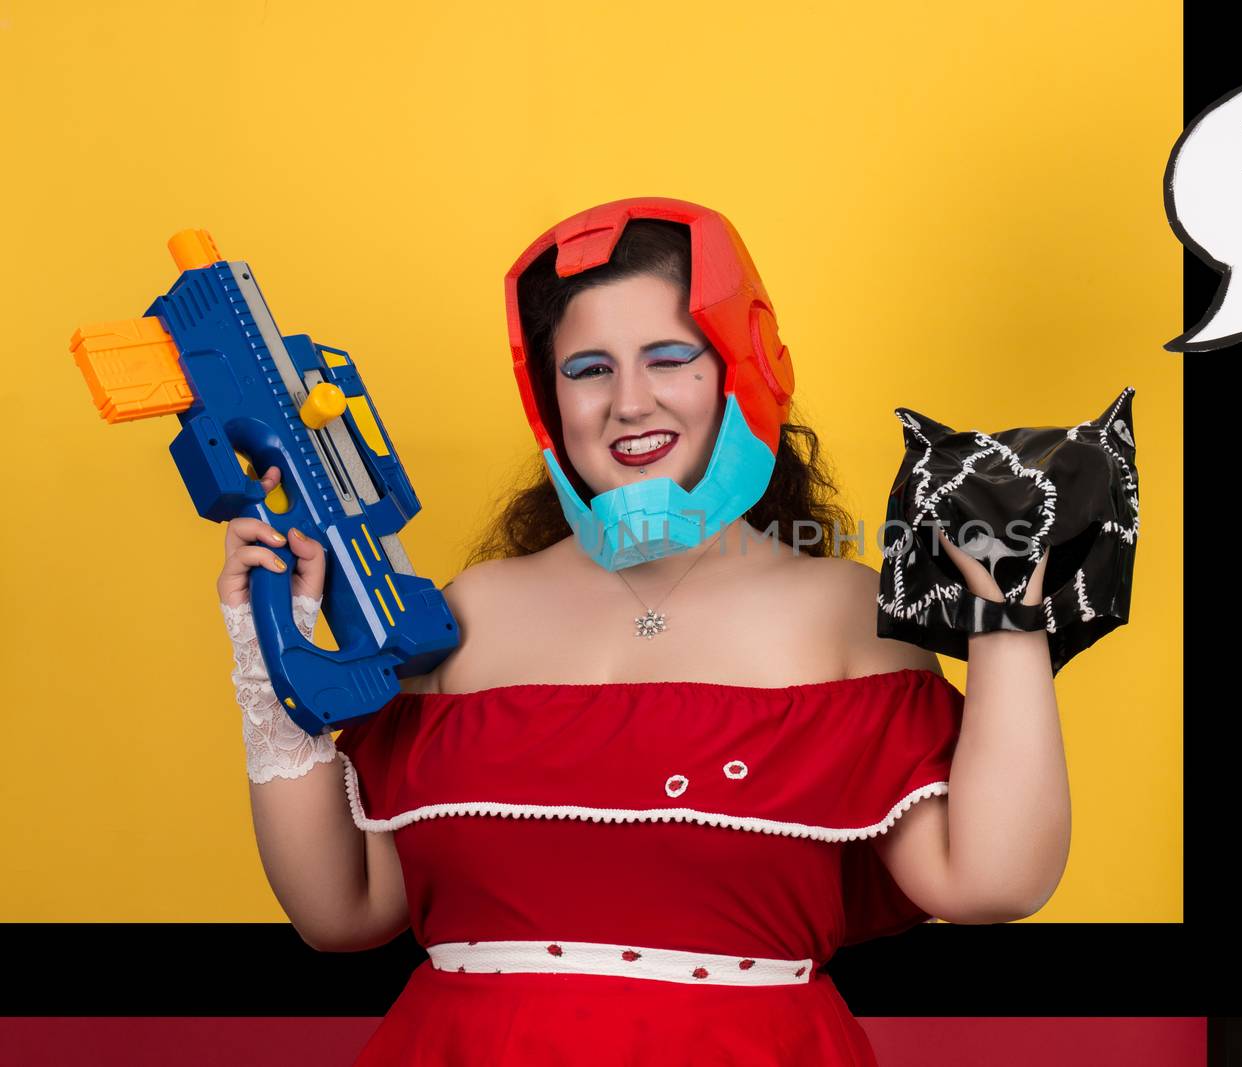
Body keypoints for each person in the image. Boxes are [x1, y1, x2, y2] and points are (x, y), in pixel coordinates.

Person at [217, 197, 1068, 1066]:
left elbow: (992, 882)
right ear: (550, 398)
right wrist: (271, 650)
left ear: (741, 371)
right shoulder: (462, 610)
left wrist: (1008, 619)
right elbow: (341, 911)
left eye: (670, 358)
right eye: (588, 368)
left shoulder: (845, 610)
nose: (629, 401)